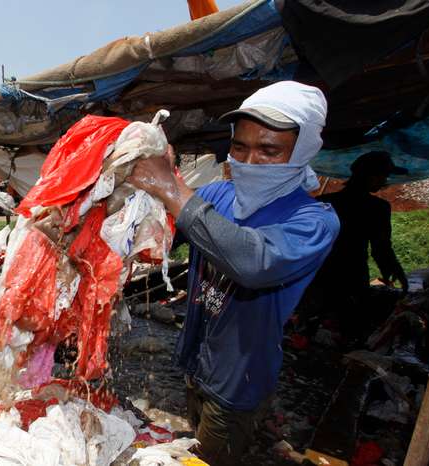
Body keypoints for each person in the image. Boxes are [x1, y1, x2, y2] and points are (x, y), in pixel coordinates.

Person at [127, 81, 340, 465]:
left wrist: (172, 188)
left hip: (238, 379)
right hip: (197, 359)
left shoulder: (313, 222)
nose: (249, 160)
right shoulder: (219, 195)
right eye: (239, 147)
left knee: (211, 457)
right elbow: (162, 238)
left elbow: (253, 263)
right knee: (194, 437)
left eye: (269, 150)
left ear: (303, 151)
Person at [307, 151, 408, 343]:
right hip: (352, 277)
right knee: (347, 332)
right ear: (371, 177)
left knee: (313, 328)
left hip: (319, 276)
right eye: (383, 176)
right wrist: (396, 273)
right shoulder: (377, 208)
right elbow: (381, 249)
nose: (384, 181)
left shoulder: (323, 202)